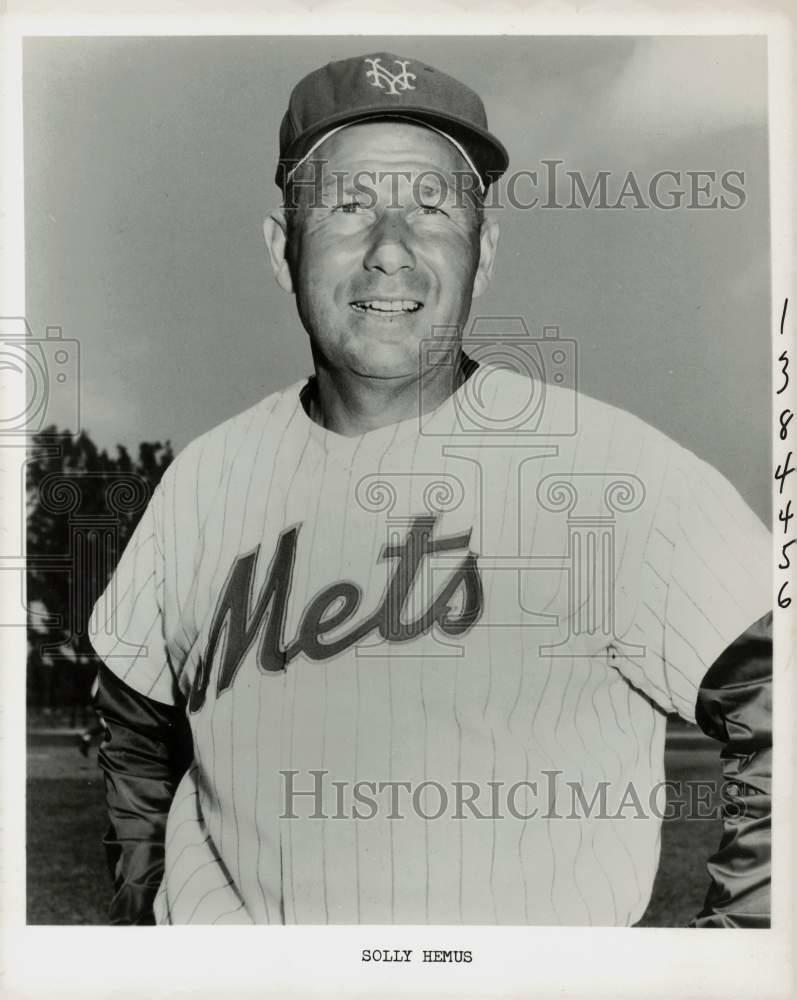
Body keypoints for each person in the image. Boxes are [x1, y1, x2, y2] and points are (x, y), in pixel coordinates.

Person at [89, 51, 772, 927]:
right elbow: (133, 731)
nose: (389, 252)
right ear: (280, 247)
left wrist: (731, 957)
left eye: (431, 209)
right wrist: (154, 927)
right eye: (346, 207)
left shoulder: (616, 473)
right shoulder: (200, 484)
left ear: (481, 253)